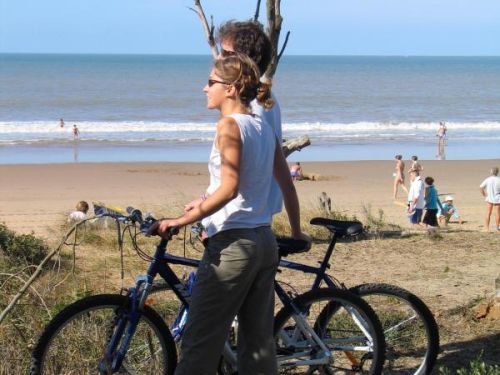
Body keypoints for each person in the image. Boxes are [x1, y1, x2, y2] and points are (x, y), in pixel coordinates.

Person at [150, 54, 308, 375]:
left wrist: (179, 221)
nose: (203, 88)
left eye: (211, 82)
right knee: (258, 348)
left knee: (200, 343)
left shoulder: (228, 126)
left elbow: (231, 188)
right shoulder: (263, 127)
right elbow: (284, 186)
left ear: (232, 88)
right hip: (264, 242)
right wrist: (295, 232)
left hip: (234, 247)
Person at [217, 20, 283, 216]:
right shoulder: (262, 97)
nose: (219, 57)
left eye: (226, 53)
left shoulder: (253, 103)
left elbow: (251, 166)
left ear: (244, 60)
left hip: (247, 210)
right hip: (253, 207)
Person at [479, 167, 500, 231]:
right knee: (498, 213)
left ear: (491, 172)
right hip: (498, 197)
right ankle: (497, 228)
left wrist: (484, 195)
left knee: (488, 213)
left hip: (489, 198)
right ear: (497, 172)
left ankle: (486, 228)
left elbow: (481, 187)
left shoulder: (488, 179)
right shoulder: (499, 179)